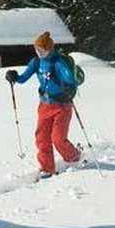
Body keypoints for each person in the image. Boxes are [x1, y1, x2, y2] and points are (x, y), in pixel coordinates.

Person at [6, 31, 81, 178]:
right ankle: (47, 168)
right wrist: (13, 76)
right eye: (37, 49)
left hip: (61, 106)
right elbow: (23, 78)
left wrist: (69, 86)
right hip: (45, 106)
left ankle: (74, 157)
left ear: (50, 49)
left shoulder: (58, 62)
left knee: (58, 138)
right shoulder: (36, 62)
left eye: (43, 50)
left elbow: (71, 79)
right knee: (42, 138)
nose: (39, 53)